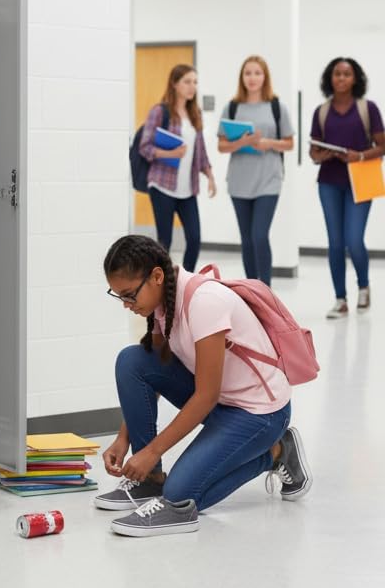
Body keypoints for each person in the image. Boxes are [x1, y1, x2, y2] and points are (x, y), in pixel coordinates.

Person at [94, 234, 312, 537]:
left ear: (156, 276)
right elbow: (154, 372)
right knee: (133, 361)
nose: (126, 305)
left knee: (180, 496)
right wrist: (124, 439)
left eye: (130, 295)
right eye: (120, 296)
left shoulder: (205, 303)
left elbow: (206, 396)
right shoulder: (161, 300)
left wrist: (152, 451)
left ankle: (275, 452)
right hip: (223, 402)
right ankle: (149, 480)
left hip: (258, 414)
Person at [309, 57, 385, 319]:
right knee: (335, 243)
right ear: (330, 79)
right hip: (329, 182)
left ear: (356, 79)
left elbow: (382, 146)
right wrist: (322, 155)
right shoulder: (321, 111)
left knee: (354, 240)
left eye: (346, 74)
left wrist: (360, 156)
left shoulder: (368, 109)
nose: (341, 78)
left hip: (359, 181)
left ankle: (363, 286)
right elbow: (314, 151)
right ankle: (340, 300)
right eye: (337, 74)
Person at [217, 55, 294, 286]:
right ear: (242, 77)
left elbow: (289, 143)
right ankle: (253, 290)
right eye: (248, 73)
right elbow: (221, 146)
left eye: (257, 73)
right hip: (239, 181)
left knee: (260, 235)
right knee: (247, 240)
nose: (252, 78)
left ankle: (266, 290)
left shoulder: (277, 107)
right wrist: (244, 142)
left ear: (265, 77)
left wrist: (267, 143)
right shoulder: (232, 107)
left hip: (269, 179)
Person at [138, 63, 216, 272]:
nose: (192, 87)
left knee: (194, 239)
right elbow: (144, 147)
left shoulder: (195, 113)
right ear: (174, 84)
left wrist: (210, 175)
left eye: (195, 82)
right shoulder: (159, 111)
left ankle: (185, 282)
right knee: (165, 243)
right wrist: (170, 154)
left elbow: (200, 151)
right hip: (162, 185)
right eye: (187, 82)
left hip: (187, 189)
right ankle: (161, 288)